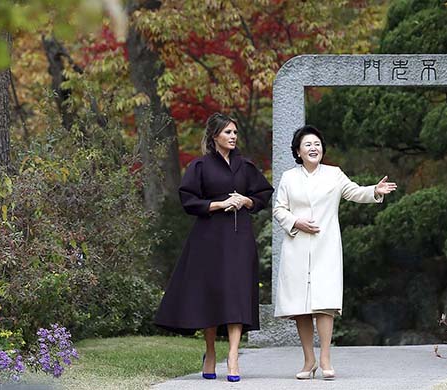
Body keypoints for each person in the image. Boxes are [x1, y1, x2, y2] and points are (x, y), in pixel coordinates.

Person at [154, 112, 273, 382]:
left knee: (237, 295)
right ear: (214, 136)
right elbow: (188, 200)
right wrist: (219, 204)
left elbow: (264, 193)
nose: (233, 137)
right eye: (228, 132)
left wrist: (246, 201)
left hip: (240, 239)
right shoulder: (200, 166)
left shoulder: (245, 166)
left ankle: (233, 356)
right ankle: (210, 352)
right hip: (208, 240)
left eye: (235, 132)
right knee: (212, 295)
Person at [273, 125, 397, 380]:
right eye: (307, 144)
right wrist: (296, 222)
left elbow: (355, 192)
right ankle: (309, 361)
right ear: (298, 151)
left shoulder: (334, 174)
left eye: (317, 144)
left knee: (324, 304)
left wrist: (374, 190)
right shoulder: (288, 177)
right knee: (301, 306)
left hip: (325, 246)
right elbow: (279, 209)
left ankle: (326, 358)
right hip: (296, 247)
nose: (313, 148)